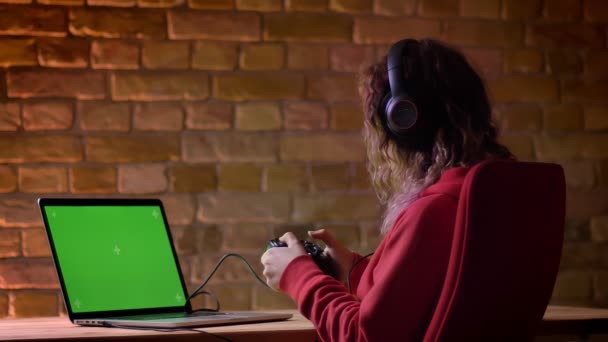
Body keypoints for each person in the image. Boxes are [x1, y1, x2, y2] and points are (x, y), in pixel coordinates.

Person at [261, 38, 513, 341]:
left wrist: (298, 275)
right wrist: (355, 271)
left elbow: (365, 336)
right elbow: (433, 297)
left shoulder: (436, 210)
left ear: (404, 119)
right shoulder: (489, 201)